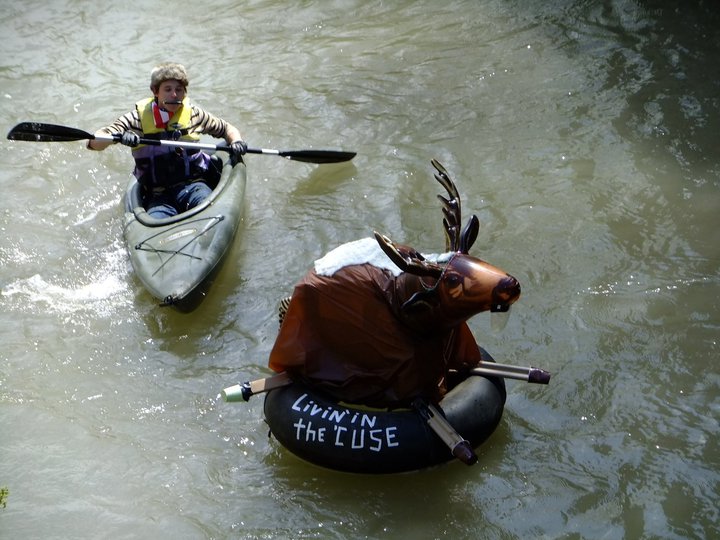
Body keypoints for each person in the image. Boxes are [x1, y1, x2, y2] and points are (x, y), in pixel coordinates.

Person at [87, 62, 247, 218]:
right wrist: (119, 137)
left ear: (185, 92)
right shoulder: (137, 119)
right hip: (158, 196)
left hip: (193, 186)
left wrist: (236, 141)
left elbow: (227, 129)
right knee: (156, 218)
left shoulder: (194, 114)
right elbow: (94, 144)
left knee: (206, 206)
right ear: (155, 91)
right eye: (168, 89)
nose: (174, 95)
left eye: (179, 90)